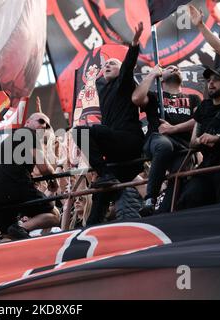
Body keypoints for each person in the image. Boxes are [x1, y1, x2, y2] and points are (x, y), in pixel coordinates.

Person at [72, 22, 145, 225]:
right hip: (115, 156)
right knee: (100, 196)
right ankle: (90, 230)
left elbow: (129, 65)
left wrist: (135, 42)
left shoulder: (124, 83)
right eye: (106, 65)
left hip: (129, 140)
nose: (107, 66)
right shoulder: (102, 88)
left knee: (93, 129)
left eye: (113, 64)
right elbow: (95, 77)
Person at [132, 64, 201, 215]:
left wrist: (173, 129)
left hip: (182, 146)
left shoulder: (193, 98)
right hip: (157, 139)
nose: (175, 68)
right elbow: (136, 98)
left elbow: (199, 119)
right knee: (164, 146)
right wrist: (151, 75)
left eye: (177, 68)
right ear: (161, 78)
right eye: (170, 68)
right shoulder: (154, 96)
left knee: (179, 174)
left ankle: (165, 211)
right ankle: (150, 198)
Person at [0, 113, 60, 240]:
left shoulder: (12, 138)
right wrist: (53, 180)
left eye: (47, 126)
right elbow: (44, 168)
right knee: (54, 215)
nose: (44, 125)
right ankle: (23, 227)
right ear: (27, 122)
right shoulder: (28, 133)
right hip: (15, 188)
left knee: (9, 235)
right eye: (41, 121)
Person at [177, 68, 220, 209]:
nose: (211, 83)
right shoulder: (204, 106)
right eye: (209, 80)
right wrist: (200, 140)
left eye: (216, 79)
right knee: (188, 199)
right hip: (207, 167)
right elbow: (192, 142)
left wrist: (217, 138)